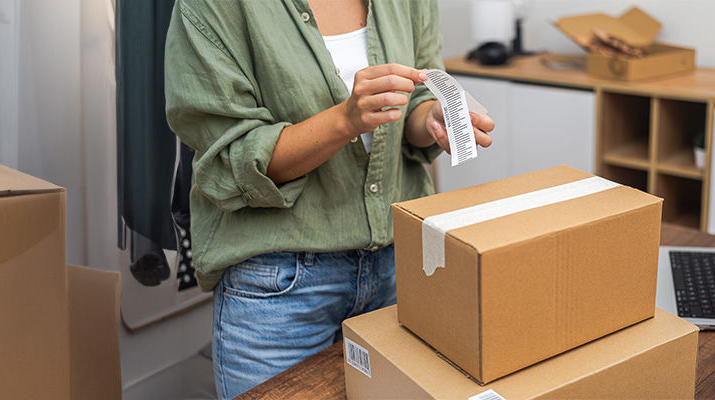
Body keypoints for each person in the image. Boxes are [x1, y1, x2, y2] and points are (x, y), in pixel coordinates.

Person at [163, 1, 495, 398]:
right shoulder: (215, 7)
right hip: (279, 289)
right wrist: (347, 119)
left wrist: (430, 118)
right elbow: (230, 157)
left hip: (399, 270)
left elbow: (419, 92)